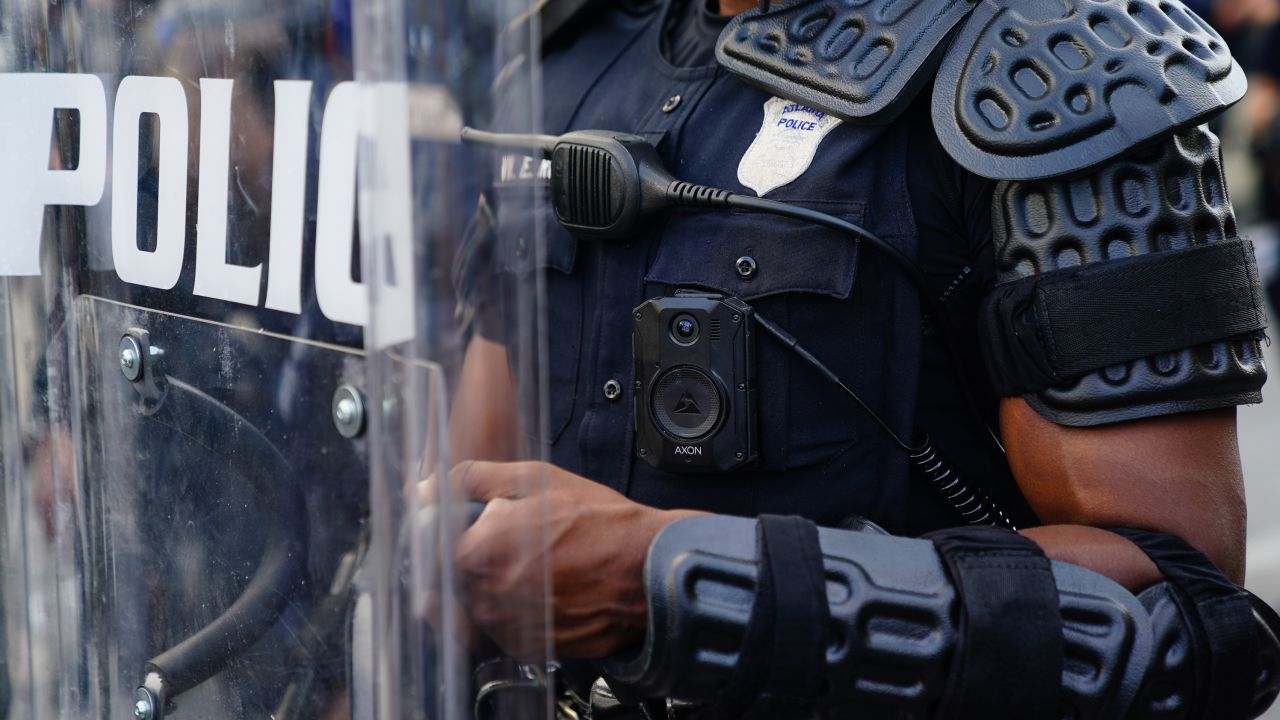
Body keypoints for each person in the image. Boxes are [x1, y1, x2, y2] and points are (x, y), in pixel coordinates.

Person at [441, 0, 1280, 716]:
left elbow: (1183, 610)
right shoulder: (568, 50)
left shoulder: (1061, 63)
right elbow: (464, 487)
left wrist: (678, 579)